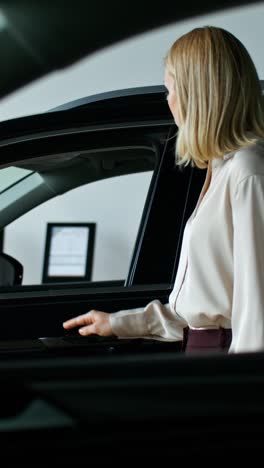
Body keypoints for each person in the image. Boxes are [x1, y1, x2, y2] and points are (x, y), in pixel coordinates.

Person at [63, 26, 264, 354]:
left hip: (228, 362)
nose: (168, 102)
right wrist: (116, 323)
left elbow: (257, 314)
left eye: (169, 90)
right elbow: (195, 313)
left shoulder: (247, 172)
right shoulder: (221, 170)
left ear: (194, 94)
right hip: (207, 352)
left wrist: (239, 387)